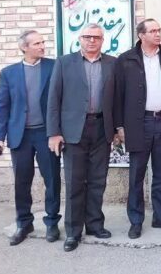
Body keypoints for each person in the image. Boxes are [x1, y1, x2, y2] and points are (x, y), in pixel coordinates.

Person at [47, 24, 116, 252]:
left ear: (102, 40)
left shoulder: (112, 63)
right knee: (75, 182)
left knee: (98, 180)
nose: (91, 41)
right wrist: (54, 133)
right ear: (80, 39)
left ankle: (95, 225)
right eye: (87, 37)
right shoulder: (64, 63)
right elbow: (53, 99)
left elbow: (117, 98)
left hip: (102, 128)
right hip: (73, 131)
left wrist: (118, 128)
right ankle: (73, 232)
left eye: (96, 37)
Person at [114, 19, 161, 239]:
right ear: (141, 35)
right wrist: (119, 126)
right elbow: (118, 95)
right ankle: (136, 221)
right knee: (136, 175)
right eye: (152, 31)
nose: (158, 34)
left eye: (159, 30)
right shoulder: (126, 60)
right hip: (138, 124)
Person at [0, 30, 61, 245]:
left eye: (43, 42)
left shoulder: (54, 66)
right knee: (22, 181)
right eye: (37, 43)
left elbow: (62, 100)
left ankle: (52, 222)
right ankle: (24, 222)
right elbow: (2, 106)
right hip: (19, 135)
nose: (42, 46)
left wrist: (59, 131)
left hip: (46, 134)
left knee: (52, 179)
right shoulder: (8, 73)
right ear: (24, 47)